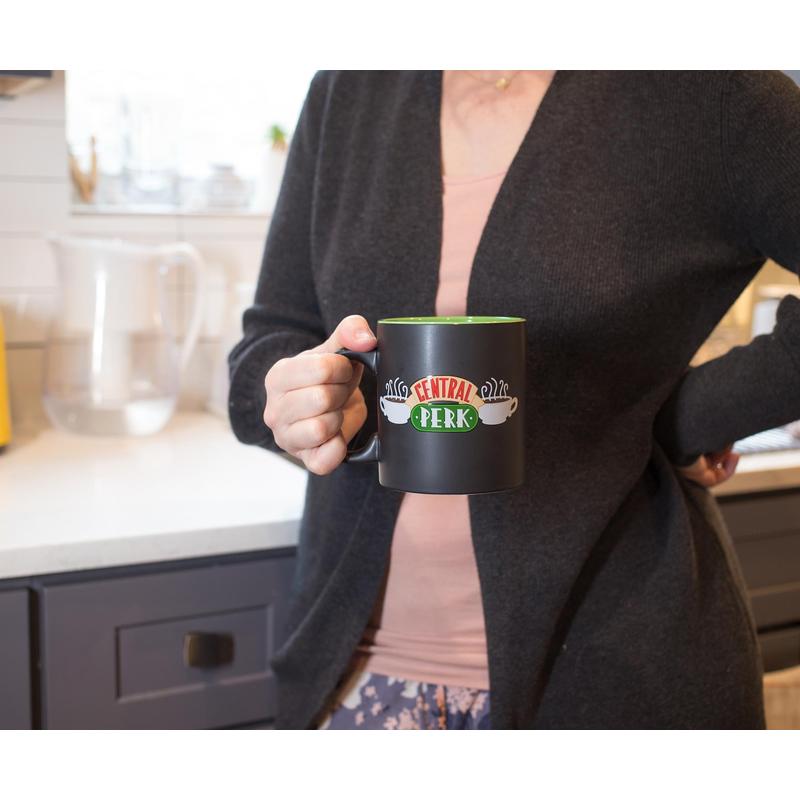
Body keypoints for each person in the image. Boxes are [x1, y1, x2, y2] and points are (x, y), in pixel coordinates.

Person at [227, 71, 800, 729]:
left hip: (615, 685)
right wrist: (297, 399)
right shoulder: (349, 89)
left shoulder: (712, 94)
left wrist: (675, 417)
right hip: (354, 677)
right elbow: (268, 344)